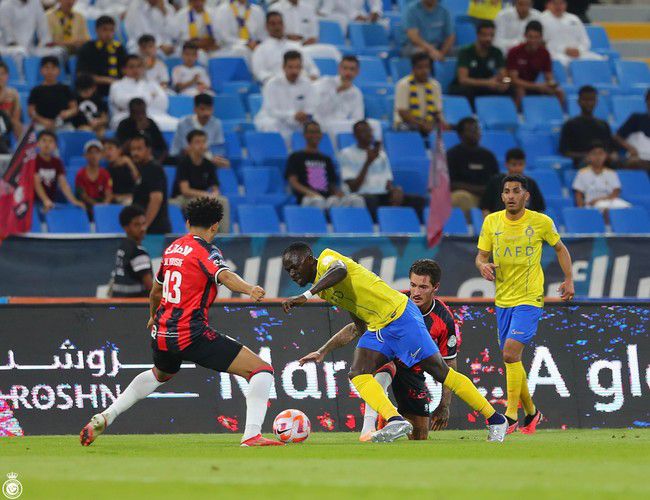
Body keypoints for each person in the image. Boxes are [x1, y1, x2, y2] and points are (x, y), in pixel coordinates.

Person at [81, 197, 282, 448]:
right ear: (215, 226)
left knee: (160, 374)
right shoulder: (207, 251)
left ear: (187, 223)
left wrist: (153, 316)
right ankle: (252, 435)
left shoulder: (172, 249)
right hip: (191, 334)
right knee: (261, 370)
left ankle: (106, 416)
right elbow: (225, 276)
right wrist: (249, 288)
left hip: (162, 334)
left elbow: (156, 291)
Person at [282, 242, 508, 443]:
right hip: (378, 327)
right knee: (358, 373)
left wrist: (306, 296)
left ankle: (496, 419)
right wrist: (324, 350)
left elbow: (340, 270)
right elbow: (355, 312)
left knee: (441, 372)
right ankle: (395, 420)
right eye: (288, 270)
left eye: (295, 267)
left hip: (400, 315)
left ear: (310, 260)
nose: (292, 274)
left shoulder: (328, 259)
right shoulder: (325, 290)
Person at [476, 173, 575, 434]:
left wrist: (568, 279)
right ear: (502, 196)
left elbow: (560, 248)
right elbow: (481, 256)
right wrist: (482, 266)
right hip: (503, 299)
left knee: (510, 353)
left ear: (526, 195)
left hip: (530, 298)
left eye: (516, 191)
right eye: (507, 191)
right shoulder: (491, 221)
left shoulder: (541, 222)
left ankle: (511, 415)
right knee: (512, 359)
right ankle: (531, 412)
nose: (511, 196)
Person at [354, 259, 460, 440]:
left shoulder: (444, 319)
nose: (416, 293)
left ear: (435, 287)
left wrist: (445, 405)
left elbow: (449, 363)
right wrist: (323, 351)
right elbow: (355, 328)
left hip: (412, 372)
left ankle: (389, 417)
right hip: (388, 361)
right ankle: (369, 428)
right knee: (382, 364)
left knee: (419, 436)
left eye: (423, 287)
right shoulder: (393, 302)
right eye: (413, 285)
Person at [340, 120, 426, 221]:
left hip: (382, 194)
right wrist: (368, 162)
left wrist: (395, 190)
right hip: (362, 195)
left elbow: (388, 182)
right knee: (371, 200)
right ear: (355, 135)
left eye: (369, 130)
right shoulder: (346, 154)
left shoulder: (381, 154)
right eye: (364, 131)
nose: (368, 134)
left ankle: (410, 228)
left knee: (417, 200)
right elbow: (353, 187)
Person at [286, 121, 365, 210]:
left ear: (321, 135)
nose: (315, 135)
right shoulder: (295, 157)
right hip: (307, 197)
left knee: (356, 199)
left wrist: (339, 194)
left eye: (317, 132)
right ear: (305, 135)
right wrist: (311, 193)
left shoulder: (326, 159)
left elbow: (331, 184)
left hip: (327, 198)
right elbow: (293, 182)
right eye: (311, 132)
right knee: (318, 201)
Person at [172, 129, 231, 233]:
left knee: (222, 201)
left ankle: (223, 236)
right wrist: (206, 195)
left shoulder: (209, 164)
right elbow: (185, 190)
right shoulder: (183, 163)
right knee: (199, 205)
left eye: (204, 142)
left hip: (202, 198)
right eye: (197, 142)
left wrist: (214, 194)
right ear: (190, 145)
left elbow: (215, 187)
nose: (201, 145)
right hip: (184, 198)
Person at [254, 50, 315, 143]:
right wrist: (293, 115)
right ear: (283, 67)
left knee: (315, 126)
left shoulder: (307, 84)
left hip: (298, 122)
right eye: (290, 67)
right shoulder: (272, 84)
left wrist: (305, 114)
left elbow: (311, 106)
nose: (294, 71)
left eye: (297, 67)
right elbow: (271, 111)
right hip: (276, 121)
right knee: (271, 125)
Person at [449, 20, 510, 108]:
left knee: (510, 89)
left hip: (487, 85)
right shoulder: (466, 52)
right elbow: (463, 80)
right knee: (466, 91)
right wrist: (487, 83)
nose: (488, 39)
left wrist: (506, 82)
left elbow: (506, 76)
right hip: (470, 86)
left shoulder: (497, 52)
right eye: (485, 35)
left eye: (491, 35)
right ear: (478, 35)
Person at [109, 54, 177, 131]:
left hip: (154, 114)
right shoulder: (117, 85)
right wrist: (149, 97)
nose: (136, 70)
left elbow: (163, 103)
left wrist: (142, 99)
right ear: (123, 69)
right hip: (126, 116)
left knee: (176, 124)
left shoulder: (152, 84)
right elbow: (123, 102)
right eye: (131, 67)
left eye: (139, 66)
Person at [447, 117, 499, 213]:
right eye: (471, 130)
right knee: (461, 197)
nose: (476, 132)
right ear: (461, 134)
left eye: (477, 129)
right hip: (468, 195)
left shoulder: (488, 156)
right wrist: (478, 189)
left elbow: (496, 180)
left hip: (488, 197)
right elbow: (451, 184)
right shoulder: (452, 155)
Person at [507, 21, 564, 108]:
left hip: (533, 86)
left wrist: (552, 85)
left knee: (559, 92)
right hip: (512, 85)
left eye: (536, 37)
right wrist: (537, 86)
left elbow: (549, 77)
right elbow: (514, 80)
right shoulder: (514, 51)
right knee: (520, 91)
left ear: (541, 37)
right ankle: (516, 114)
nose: (533, 40)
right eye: (530, 37)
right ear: (525, 36)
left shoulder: (545, 53)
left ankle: (556, 114)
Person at [251, 11, 319, 84]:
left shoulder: (295, 46)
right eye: (273, 24)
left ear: (284, 25)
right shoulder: (260, 49)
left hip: (302, 84)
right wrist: (277, 81)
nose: (277, 27)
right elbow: (259, 72)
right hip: (277, 85)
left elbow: (312, 68)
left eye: (280, 23)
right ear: (266, 27)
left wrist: (313, 76)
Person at [559, 85, 614, 167]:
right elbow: (565, 152)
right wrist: (587, 156)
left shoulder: (603, 125)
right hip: (581, 163)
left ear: (596, 102)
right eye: (585, 100)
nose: (589, 103)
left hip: (603, 163)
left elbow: (609, 149)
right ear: (578, 101)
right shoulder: (569, 125)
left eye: (591, 100)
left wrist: (601, 156)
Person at [480, 148, 545, 216]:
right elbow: (485, 208)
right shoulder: (495, 182)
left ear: (525, 164)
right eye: (514, 164)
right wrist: (490, 222)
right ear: (506, 164)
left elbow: (540, 209)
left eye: (520, 164)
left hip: (527, 222)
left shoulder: (531, 183)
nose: (517, 168)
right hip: (500, 221)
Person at [31, 130, 85, 212]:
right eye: (44, 140)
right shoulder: (33, 161)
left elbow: (63, 184)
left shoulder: (57, 162)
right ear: (37, 144)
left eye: (50, 141)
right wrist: (45, 200)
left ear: (55, 146)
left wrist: (74, 201)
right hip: (34, 202)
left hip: (51, 201)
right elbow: (36, 183)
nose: (47, 144)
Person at [540, 0, 603, 67]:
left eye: (561, 3)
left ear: (566, 4)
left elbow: (585, 40)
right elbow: (542, 43)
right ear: (547, 5)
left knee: (599, 60)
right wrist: (564, 50)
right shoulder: (541, 20)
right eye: (555, 3)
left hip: (577, 53)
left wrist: (579, 50)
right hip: (555, 54)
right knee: (563, 62)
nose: (558, 6)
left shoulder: (574, 19)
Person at [76, 15, 128, 97]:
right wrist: (107, 80)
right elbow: (81, 75)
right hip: (95, 89)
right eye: (105, 29)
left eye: (111, 30)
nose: (108, 34)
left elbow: (126, 70)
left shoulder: (119, 48)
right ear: (97, 30)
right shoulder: (87, 48)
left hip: (119, 88)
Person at [170, 93, 228, 166]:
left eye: (209, 109)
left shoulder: (216, 123)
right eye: (202, 109)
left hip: (210, 160)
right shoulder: (184, 123)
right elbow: (181, 149)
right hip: (186, 159)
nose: (206, 113)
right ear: (195, 109)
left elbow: (218, 147)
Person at [128, 134, 171, 234]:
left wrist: (144, 226)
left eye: (139, 149)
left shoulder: (153, 168)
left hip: (155, 231)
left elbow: (156, 199)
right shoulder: (142, 168)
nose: (135, 153)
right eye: (133, 149)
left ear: (148, 150)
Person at [108, 204, 153, 298]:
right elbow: (150, 287)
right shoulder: (138, 252)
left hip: (117, 302)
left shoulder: (122, 247)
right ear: (126, 227)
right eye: (137, 225)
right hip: (134, 304)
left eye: (144, 224)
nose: (142, 229)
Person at [312, 55, 363, 137]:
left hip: (342, 130)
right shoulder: (324, 83)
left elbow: (358, 118)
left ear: (357, 72)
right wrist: (337, 92)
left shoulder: (356, 93)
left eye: (352, 69)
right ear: (339, 69)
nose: (348, 72)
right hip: (320, 127)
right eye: (345, 68)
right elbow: (318, 110)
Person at [394, 52, 444, 134]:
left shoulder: (435, 85)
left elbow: (437, 112)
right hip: (407, 123)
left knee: (442, 129)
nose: (424, 71)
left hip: (428, 123)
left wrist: (442, 124)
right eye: (420, 67)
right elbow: (403, 113)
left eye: (427, 67)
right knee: (406, 128)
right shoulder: (403, 84)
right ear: (413, 68)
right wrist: (422, 125)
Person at [572, 141, 631, 211]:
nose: (598, 157)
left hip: (609, 202)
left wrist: (600, 199)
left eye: (600, 153)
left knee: (627, 207)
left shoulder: (611, 173)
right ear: (588, 156)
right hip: (591, 205)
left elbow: (616, 192)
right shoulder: (582, 173)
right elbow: (578, 194)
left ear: (605, 156)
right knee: (604, 208)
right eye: (594, 154)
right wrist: (581, 210)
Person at [0, 0, 65, 59]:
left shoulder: (35, 2)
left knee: (58, 51)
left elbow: (42, 25)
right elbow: (8, 36)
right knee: (19, 52)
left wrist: (47, 43)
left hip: (30, 48)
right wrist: (18, 48)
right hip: (8, 48)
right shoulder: (5, 5)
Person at [28, 56, 77, 131]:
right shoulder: (36, 90)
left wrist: (67, 113)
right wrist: (43, 121)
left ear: (58, 71)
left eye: (53, 68)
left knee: (71, 132)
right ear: (41, 70)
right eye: (46, 68)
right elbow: (31, 112)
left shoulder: (65, 89)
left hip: (64, 124)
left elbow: (74, 108)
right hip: (42, 125)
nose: (50, 71)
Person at [116, 98, 169, 164]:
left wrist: (158, 163)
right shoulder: (124, 124)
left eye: (143, 112)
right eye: (137, 113)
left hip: (151, 160)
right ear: (131, 112)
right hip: (130, 160)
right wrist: (139, 131)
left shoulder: (150, 123)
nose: (141, 116)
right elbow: (121, 149)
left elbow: (163, 148)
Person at [75, 139, 113, 216]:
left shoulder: (105, 174)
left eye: (97, 152)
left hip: (102, 206)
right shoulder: (80, 174)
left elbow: (108, 193)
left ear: (101, 155)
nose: (94, 156)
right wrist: (97, 206)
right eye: (90, 152)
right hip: (86, 208)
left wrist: (104, 205)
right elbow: (83, 195)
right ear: (85, 155)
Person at [614, 90, 650, 171]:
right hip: (639, 158)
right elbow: (617, 137)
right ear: (646, 101)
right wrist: (630, 148)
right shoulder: (637, 118)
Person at [71, 72, 109, 136]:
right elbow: (74, 121)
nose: (85, 93)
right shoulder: (75, 101)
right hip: (81, 128)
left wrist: (99, 121)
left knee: (102, 132)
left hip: (98, 126)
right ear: (78, 90)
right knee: (86, 131)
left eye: (87, 90)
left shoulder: (98, 100)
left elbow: (105, 118)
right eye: (82, 91)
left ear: (94, 88)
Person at [104, 138, 140, 205]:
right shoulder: (107, 171)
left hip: (135, 199)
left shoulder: (130, 164)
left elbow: (138, 180)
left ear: (119, 150)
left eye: (110, 148)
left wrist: (130, 163)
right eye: (105, 149)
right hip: (118, 201)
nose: (107, 152)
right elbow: (109, 193)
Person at [319, 0, 384, 32]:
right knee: (342, 19)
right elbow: (327, 9)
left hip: (362, 17)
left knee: (382, 24)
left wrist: (375, 11)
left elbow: (376, 3)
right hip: (339, 16)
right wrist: (355, 16)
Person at [0, 61, 22, 138]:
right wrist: (3, 93)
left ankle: (21, 145)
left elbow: (16, 115)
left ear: (7, 75)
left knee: (18, 125)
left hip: (8, 123)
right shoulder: (7, 93)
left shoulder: (13, 93)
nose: (0, 77)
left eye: (2, 74)